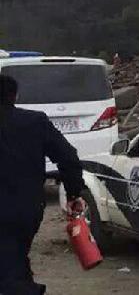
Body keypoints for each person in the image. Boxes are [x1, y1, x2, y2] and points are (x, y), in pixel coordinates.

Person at [0, 75, 86, 295]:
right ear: (15, 96)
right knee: (15, 258)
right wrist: (74, 192)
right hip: (27, 209)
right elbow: (68, 157)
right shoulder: (35, 121)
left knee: (11, 265)